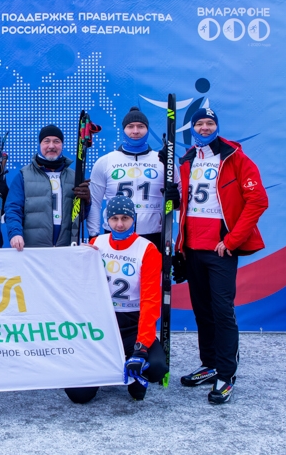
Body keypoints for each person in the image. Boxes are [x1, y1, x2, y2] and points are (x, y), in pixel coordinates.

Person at [173, 107, 268, 405]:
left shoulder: (235, 157)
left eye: (209, 123)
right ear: (192, 128)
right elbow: (186, 203)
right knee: (202, 311)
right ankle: (210, 364)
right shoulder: (187, 159)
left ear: (217, 127)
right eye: (199, 123)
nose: (204, 128)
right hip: (192, 247)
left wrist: (232, 240)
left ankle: (226, 373)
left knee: (222, 311)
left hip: (219, 248)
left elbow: (257, 200)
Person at [65, 195, 167, 403]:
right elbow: (79, 287)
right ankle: (108, 366)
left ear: (133, 219)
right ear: (107, 220)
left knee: (155, 368)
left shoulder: (147, 249)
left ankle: (131, 365)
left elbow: (150, 302)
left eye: (125, 218)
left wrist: (141, 347)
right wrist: (79, 259)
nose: (120, 224)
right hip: (102, 326)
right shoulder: (96, 243)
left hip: (132, 325)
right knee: (78, 395)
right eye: (114, 219)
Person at [87, 106, 179, 247]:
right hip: (115, 233)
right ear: (123, 130)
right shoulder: (106, 161)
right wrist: (93, 235)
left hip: (153, 235)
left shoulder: (162, 161)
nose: (135, 131)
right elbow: (95, 202)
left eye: (141, 126)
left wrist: (176, 200)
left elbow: (180, 200)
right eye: (130, 127)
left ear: (147, 129)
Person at [5, 124, 90, 250]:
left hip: (65, 248)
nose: (51, 146)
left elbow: (79, 217)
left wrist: (86, 202)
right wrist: (15, 233)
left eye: (56, 141)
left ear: (62, 145)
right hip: (33, 250)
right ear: (40, 144)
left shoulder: (74, 177)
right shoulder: (24, 175)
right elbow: (13, 208)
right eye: (46, 141)